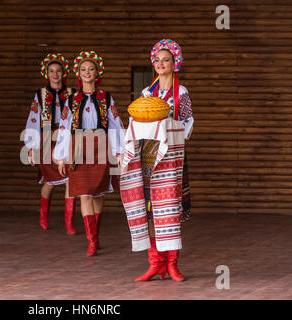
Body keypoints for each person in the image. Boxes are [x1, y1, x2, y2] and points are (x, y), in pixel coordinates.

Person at [135, 39, 194, 281]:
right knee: (150, 210)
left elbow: (188, 122)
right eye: (157, 60)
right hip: (149, 156)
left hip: (172, 156)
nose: (161, 64)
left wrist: (173, 133)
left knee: (170, 209)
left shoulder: (181, 93)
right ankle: (155, 263)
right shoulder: (147, 93)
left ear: (175, 63)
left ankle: (172, 263)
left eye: (165, 60)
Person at [54, 51, 123, 256]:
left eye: (90, 69)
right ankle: (91, 241)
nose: (87, 72)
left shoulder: (106, 98)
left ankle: (96, 235)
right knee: (84, 193)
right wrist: (60, 155)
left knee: (97, 194)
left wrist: (119, 151)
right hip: (77, 148)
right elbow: (65, 126)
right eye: (83, 69)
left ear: (97, 72)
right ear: (78, 73)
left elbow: (116, 126)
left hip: (100, 146)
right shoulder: (71, 100)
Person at [24, 53, 77, 234]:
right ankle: (43, 215)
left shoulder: (72, 94)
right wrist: (31, 146)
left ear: (63, 73)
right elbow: (33, 119)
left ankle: (69, 222)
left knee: (70, 179)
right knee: (51, 182)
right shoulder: (40, 95)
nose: (55, 74)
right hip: (45, 141)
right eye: (51, 71)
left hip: (66, 140)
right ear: (46, 74)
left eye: (58, 71)